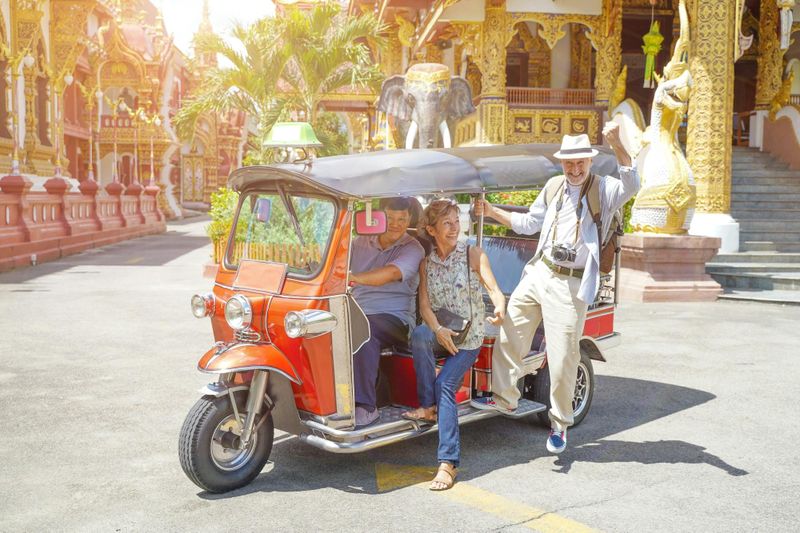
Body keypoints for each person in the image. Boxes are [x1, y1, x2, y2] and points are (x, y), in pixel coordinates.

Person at [471, 124, 639, 454]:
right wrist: (491, 212)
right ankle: (506, 398)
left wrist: (618, 144)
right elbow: (528, 224)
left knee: (563, 358)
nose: (575, 170)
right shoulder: (553, 187)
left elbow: (632, 183)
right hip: (539, 271)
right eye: (569, 164)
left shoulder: (602, 190)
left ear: (589, 162)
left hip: (570, 282)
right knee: (509, 331)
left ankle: (560, 424)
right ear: (561, 163)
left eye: (581, 164)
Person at [402, 198, 506, 491]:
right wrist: (438, 330)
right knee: (420, 334)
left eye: (456, 222)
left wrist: (499, 308)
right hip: (442, 334)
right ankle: (427, 407)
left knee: (445, 384)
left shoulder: (473, 254)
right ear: (431, 230)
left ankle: (448, 463)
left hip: (468, 340)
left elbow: (494, 290)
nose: (454, 228)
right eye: (446, 223)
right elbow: (424, 307)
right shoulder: (426, 264)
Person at [349, 197, 425, 427]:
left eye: (402, 219)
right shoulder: (359, 242)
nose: (396, 224)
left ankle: (365, 407)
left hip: (396, 318)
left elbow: (391, 273)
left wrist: (353, 278)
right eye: (389, 218)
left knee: (365, 330)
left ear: (409, 219)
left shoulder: (413, 248)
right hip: (356, 309)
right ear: (378, 217)